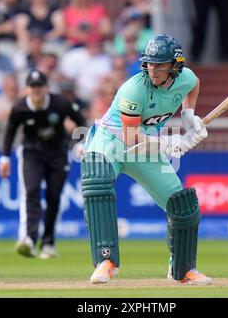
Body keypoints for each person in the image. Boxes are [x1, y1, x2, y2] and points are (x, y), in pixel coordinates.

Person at [80, 34, 211, 285]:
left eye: (159, 64)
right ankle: (105, 261)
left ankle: (182, 270)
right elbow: (130, 138)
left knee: (182, 205)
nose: (152, 69)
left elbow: (194, 84)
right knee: (97, 178)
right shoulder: (133, 88)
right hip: (111, 140)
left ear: (175, 65)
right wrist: (172, 143)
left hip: (146, 142)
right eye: (150, 63)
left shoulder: (186, 77)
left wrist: (189, 114)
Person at [0, 69, 86, 259]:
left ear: (46, 88)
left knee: (54, 198)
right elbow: (10, 131)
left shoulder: (61, 103)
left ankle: (48, 243)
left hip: (57, 154)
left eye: (39, 87)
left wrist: (79, 142)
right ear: (28, 88)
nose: (36, 91)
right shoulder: (20, 107)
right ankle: (29, 239)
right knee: (31, 193)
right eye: (33, 87)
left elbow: (80, 120)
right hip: (31, 154)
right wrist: (4, 158)